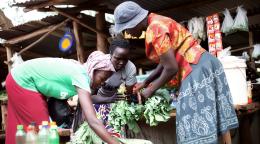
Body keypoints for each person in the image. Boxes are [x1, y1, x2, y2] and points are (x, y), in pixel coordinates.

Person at [113, 1, 238, 144]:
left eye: (127, 29)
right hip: (208, 63)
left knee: (194, 123)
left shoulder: (155, 29)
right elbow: (164, 62)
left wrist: (150, 91)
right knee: (217, 116)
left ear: (133, 22)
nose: (128, 33)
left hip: (195, 67)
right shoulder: (157, 20)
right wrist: (146, 82)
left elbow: (171, 68)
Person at [5, 51, 120, 144]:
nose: (102, 83)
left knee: (19, 127)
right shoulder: (81, 76)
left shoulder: (81, 72)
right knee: (43, 131)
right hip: (23, 81)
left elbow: (87, 103)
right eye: (102, 78)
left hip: (17, 78)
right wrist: (114, 142)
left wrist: (105, 100)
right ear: (94, 70)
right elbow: (92, 121)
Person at [74, 39, 137, 138]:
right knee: (93, 133)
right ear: (110, 54)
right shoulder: (100, 65)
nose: (121, 63)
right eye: (117, 58)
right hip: (94, 101)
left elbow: (127, 94)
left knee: (114, 133)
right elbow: (87, 98)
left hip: (114, 102)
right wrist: (108, 99)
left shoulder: (130, 68)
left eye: (125, 59)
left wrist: (124, 100)